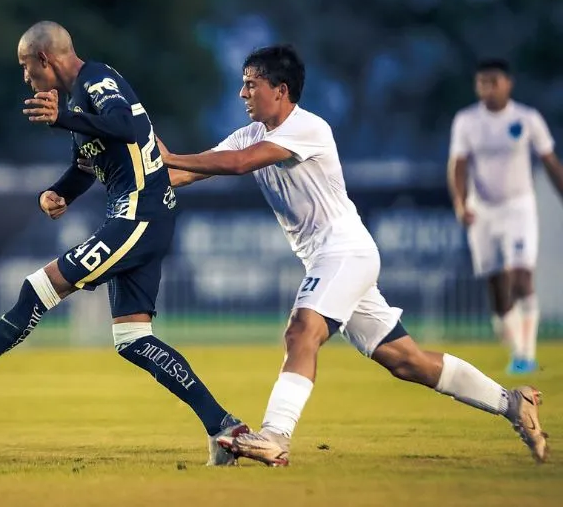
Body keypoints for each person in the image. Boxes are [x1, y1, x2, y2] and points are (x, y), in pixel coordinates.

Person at [158, 45, 548, 466]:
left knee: (301, 331)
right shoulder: (249, 134)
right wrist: (138, 174)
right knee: (407, 361)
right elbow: (192, 171)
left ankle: (275, 435)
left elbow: (238, 164)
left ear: (281, 90)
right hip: (331, 260)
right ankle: (513, 402)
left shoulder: (307, 128)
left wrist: (169, 156)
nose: (242, 93)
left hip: (343, 251)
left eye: (251, 84)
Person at [0, 21, 247, 466]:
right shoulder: (80, 102)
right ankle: (223, 427)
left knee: (36, 289)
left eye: (26, 66)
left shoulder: (95, 80)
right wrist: (58, 192)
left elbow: (123, 125)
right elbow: (86, 166)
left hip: (137, 216)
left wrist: (62, 118)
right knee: (133, 339)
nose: (26, 77)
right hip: (142, 217)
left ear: (44, 59)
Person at [447, 59, 563, 374]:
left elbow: (550, 161)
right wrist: (460, 203)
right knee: (498, 288)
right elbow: (458, 165)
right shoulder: (467, 121)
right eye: (482, 82)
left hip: (518, 207)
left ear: (508, 83)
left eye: (493, 82)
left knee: (522, 276)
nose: (488, 88)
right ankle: (517, 349)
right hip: (482, 211)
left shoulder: (527, 119)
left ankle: (526, 354)